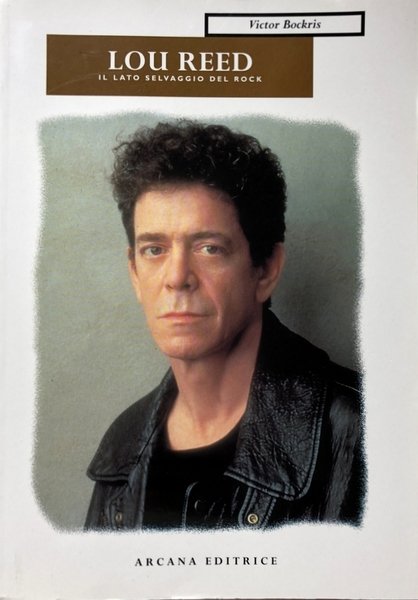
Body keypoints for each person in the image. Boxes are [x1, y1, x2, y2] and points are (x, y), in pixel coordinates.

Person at [85, 121, 365, 531]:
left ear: (266, 269)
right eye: (154, 249)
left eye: (209, 248)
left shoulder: (367, 430)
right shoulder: (122, 447)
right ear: (135, 274)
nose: (176, 277)